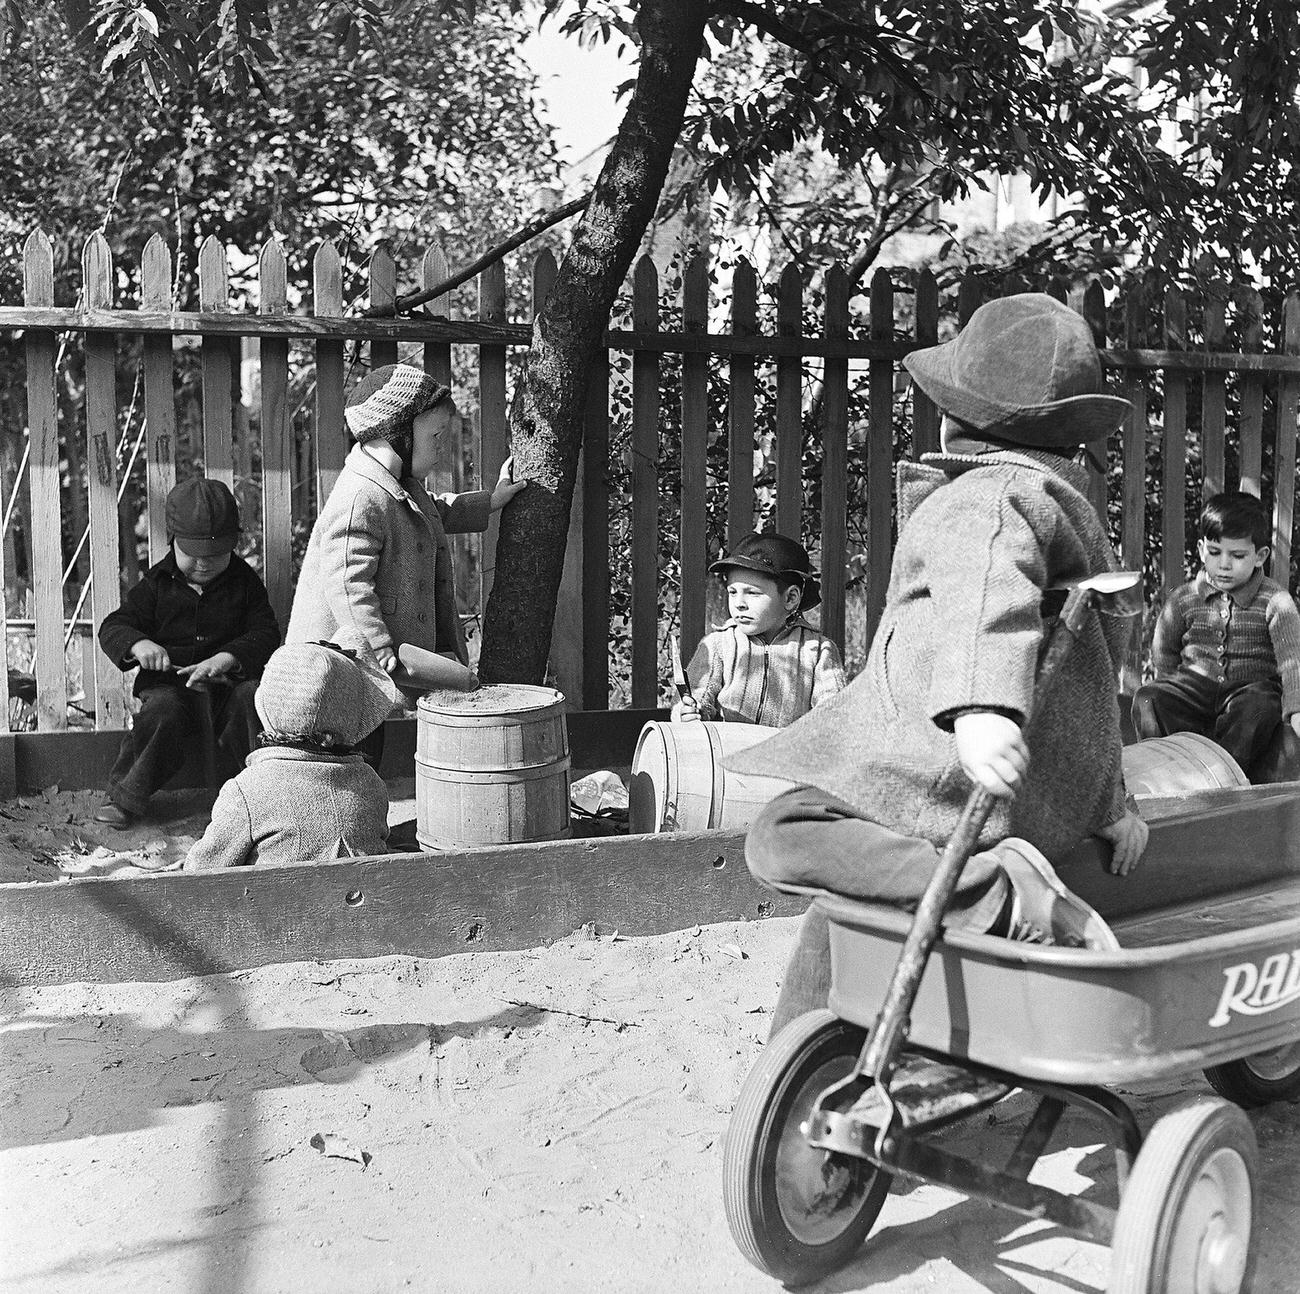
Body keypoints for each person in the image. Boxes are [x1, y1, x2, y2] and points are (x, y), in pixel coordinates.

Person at [727, 293, 1150, 1034]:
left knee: (787, 830)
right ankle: (798, 1053)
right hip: (1036, 788)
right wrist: (1112, 801)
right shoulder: (1064, 509)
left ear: (959, 417)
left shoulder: (985, 501)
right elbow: (1094, 667)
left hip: (949, 772)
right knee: (857, 891)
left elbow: (989, 591)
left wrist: (982, 709)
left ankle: (997, 894)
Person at [286, 363, 526, 766]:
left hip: (369, 669)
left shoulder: (397, 485)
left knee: (366, 749)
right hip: (341, 666)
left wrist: (491, 500)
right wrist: (380, 649)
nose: (441, 448)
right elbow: (349, 584)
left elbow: (431, 512)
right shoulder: (360, 497)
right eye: (436, 436)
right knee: (342, 755)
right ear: (395, 434)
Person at [95, 478, 280, 828]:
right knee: (160, 712)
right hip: (171, 688)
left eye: (216, 556)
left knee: (253, 698)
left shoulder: (244, 583)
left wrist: (227, 658)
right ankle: (125, 798)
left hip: (227, 688)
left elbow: (266, 632)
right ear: (172, 541)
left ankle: (266, 793)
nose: (204, 565)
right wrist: (139, 644)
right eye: (193, 556)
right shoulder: (156, 584)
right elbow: (114, 625)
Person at [184, 631, 398, 869]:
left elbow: (201, 870)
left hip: (280, 904)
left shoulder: (247, 790)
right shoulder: (371, 783)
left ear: (265, 701)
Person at [1132, 491, 1300, 778]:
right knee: (1149, 698)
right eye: (1214, 552)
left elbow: (1292, 661)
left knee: (1259, 709)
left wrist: (1296, 709)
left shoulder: (1275, 601)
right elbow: (1164, 650)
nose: (1224, 564)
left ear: (1259, 557)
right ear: (1200, 550)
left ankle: (1225, 778)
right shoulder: (1185, 598)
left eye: (1237, 556)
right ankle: (1166, 773)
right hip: (1196, 687)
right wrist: (1174, 686)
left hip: (1248, 689)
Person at [671, 531, 845, 727]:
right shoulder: (719, 645)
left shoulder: (817, 650)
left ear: (790, 598)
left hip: (787, 753)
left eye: (752, 593)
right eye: (733, 592)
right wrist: (689, 712)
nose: (739, 604)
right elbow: (697, 693)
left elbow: (834, 711)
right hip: (728, 752)